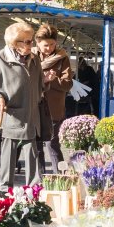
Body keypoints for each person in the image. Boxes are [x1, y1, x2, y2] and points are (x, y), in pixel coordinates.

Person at [0, 21, 45, 192]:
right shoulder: (0, 59)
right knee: (8, 156)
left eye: (30, 41)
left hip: (30, 114)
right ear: (12, 42)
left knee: (32, 154)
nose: (29, 45)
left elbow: (39, 84)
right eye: (24, 41)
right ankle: (5, 192)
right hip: (10, 116)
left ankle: (34, 192)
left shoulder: (34, 59)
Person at [35, 24, 72, 172]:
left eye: (52, 44)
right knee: (36, 147)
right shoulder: (31, 57)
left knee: (53, 145)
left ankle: (60, 179)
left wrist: (53, 79)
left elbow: (67, 84)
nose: (49, 48)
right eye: (45, 45)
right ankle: (38, 182)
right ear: (37, 42)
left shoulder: (62, 58)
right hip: (35, 106)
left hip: (54, 108)